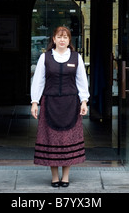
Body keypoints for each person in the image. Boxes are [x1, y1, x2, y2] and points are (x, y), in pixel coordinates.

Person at [31, 26, 89, 188]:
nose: (62, 40)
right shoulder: (45, 57)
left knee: (67, 140)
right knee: (52, 140)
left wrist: (84, 101)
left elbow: (81, 81)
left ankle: (66, 177)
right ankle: (54, 176)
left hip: (71, 104)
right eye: (59, 37)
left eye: (66, 37)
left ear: (69, 41)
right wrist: (35, 102)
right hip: (50, 103)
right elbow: (39, 80)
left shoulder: (76, 58)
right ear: (54, 39)